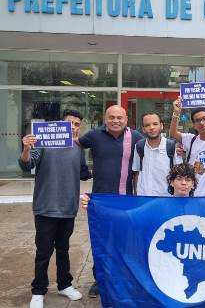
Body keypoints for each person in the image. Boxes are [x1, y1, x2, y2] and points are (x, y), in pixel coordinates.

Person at [19, 109, 92, 308]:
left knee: (63, 249)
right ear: (61, 124)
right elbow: (27, 165)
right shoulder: (43, 143)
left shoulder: (78, 148)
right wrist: (26, 148)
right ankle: (38, 290)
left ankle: (64, 284)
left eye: (77, 124)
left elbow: (84, 174)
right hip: (45, 207)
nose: (74, 127)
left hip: (68, 207)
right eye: (70, 123)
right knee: (43, 251)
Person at [77, 104, 143, 298]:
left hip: (126, 200)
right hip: (101, 201)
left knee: (125, 241)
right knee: (101, 242)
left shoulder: (136, 137)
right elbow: (74, 145)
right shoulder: (94, 135)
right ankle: (100, 280)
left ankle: (124, 279)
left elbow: (156, 149)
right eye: (112, 117)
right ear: (105, 119)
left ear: (126, 119)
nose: (116, 121)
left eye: (119, 118)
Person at [132, 111, 182, 196]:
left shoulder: (172, 147)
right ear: (143, 129)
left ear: (161, 126)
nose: (151, 127)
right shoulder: (139, 146)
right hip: (144, 199)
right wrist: (136, 195)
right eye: (147, 125)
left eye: (155, 124)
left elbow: (180, 175)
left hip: (166, 200)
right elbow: (137, 173)